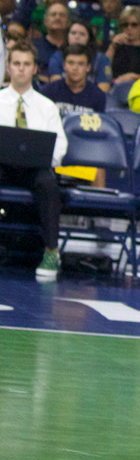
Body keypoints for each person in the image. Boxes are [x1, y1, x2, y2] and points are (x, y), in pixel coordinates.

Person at [0, 41, 67, 281]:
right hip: (1, 167)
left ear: (34, 69)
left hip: (34, 169)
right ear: (8, 67)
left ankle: (51, 252)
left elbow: (60, 146)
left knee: (48, 184)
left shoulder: (47, 106)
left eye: (26, 64)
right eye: (16, 63)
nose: (20, 69)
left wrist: (45, 158)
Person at [40, 43, 107, 117]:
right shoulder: (48, 91)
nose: (75, 68)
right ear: (64, 66)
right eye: (71, 63)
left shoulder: (97, 96)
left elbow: (99, 126)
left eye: (80, 64)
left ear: (88, 67)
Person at [106, 6, 140, 85]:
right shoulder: (115, 47)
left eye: (134, 25)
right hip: (116, 89)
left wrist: (135, 77)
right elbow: (104, 70)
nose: (129, 28)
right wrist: (112, 46)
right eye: (125, 25)